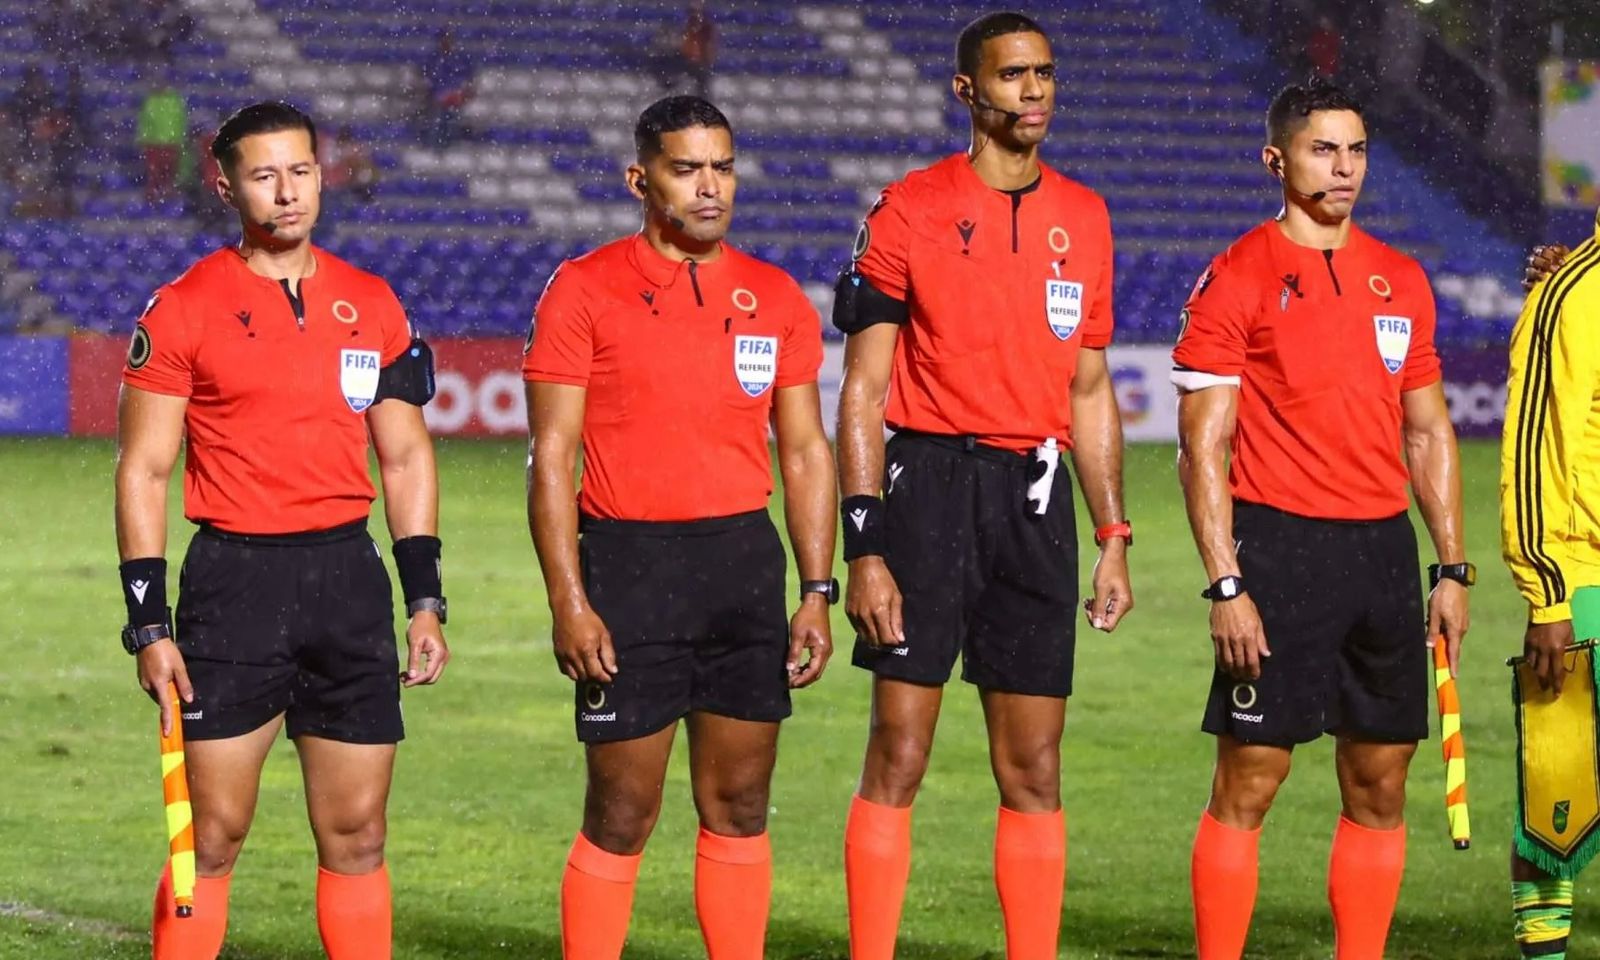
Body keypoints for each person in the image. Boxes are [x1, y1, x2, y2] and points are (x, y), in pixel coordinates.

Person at [115, 101, 448, 960]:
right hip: (235, 586)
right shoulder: (184, 307)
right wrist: (149, 624)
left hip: (347, 583)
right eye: (264, 175)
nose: (288, 191)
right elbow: (144, 470)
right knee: (212, 835)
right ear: (227, 186)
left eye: (300, 170)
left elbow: (405, 457)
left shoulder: (372, 303)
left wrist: (425, 600)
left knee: (358, 834)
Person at [832, 12, 1132, 958]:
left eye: (1044, 72)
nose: (1033, 90)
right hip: (929, 488)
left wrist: (1113, 535)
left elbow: (1090, 390)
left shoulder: (1086, 217)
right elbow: (862, 390)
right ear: (967, 90)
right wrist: (865, 545)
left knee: (1034, 766)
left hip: (1036, 499)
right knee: (900, 750)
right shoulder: (910, 208)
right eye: (1012, 75)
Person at [523, 94, 835, 959]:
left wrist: (816, 590)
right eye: (686, 168)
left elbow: (805, 451)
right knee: (622, 812)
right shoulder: (583, 289)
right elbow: (552, 458)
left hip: (742, 566)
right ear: (641, 179)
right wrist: (569, 599)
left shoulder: (775, 296)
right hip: (630, 569)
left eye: (722, 168)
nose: (709, 187)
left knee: (740, 805)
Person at [1172, 76, 1471, 959]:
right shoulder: (1237, 274)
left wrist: (1452, 567)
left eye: (1357, 150)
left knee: (1381, 781)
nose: (1344, 168)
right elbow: (1202, 448)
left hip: (1382, 553)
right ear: (1277, 160)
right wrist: (1227, 584)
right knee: (1252, 779)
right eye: (1323, 150)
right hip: (1280, 551)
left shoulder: (1401, 278)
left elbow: (1428, 432)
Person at [1500, 215, 1600, 960]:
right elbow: (1535, 453)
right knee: (1556, 805)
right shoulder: (1572, 295)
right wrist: (1549, 594)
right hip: (1587, 579)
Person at [136, 71, 188, 202]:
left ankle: (167, 195)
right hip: (154, 143)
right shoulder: (151, 101)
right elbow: (145, 122)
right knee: (155, 174)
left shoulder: (174, 100)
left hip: (170, 143)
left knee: (169, 173)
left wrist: (179, 139)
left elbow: (180, 121)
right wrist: (144, 140)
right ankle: (154, 196)